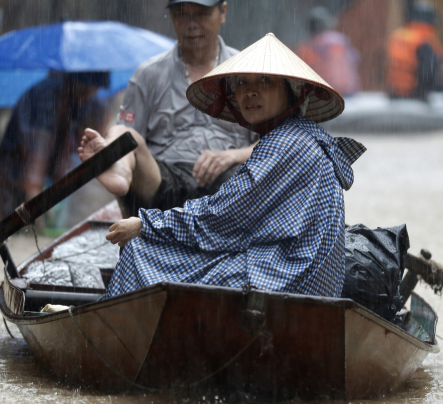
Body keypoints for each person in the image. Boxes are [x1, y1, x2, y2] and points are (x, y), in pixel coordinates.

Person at [98, 33, 366, 299]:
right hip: (296, 274)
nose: (250, 91)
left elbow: (221, 218)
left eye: (264, 80)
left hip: (284, 280)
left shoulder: (284, 144)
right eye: (241, 82)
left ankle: (112, 339)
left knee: (140, 251)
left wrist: (145, 225)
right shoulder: (301, 136)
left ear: (292, 90)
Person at [78, 0, 258, 219]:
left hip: (230, 186)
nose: (191, 24)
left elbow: (276, 141)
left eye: (201, 15)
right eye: (182, 15)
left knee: (263, 166)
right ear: (172, 17)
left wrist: (233, 156)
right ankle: (119, 170)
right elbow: (130, 136)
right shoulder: (148, 74)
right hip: (162, 184)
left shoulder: (249, 73)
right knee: (122, 133)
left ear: (222, 12)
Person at [0, 71, 109, 223]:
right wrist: (35, 203)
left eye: (93, 91)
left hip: (43, 174)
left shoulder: (82, 101)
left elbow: (73, 148)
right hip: (13, 171)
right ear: (79, 83)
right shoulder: (48, 95)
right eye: (86, 90)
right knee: (12, 225)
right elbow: (36, 152)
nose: (88, 96)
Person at [386, 1, 443, 100]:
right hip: (414, 96)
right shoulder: (423, 41)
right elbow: (428, 73)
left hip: (394, 94)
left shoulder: (397, 36)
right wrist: (439, 87)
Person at [295, 6, 360, 97]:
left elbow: (301, 73)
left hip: (324, 93)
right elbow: (355, 59)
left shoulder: (307, 48)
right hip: (348, 90)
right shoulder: (341, 41)